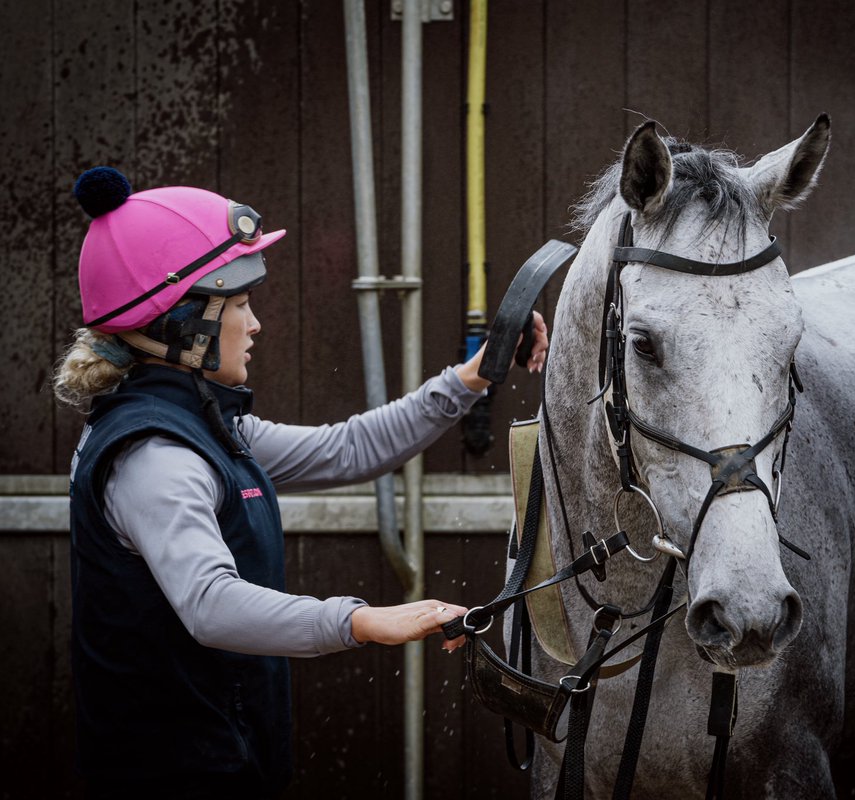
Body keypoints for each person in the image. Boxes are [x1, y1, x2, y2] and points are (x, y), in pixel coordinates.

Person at [54, 167, 548, 798]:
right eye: (238, 305)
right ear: (185, 325)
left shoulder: (204, 427)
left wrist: (472, 377)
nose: (254, 324)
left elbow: (348, 449)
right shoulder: (156, 456)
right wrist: (362, 622)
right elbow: (210, 604)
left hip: (228, 760)